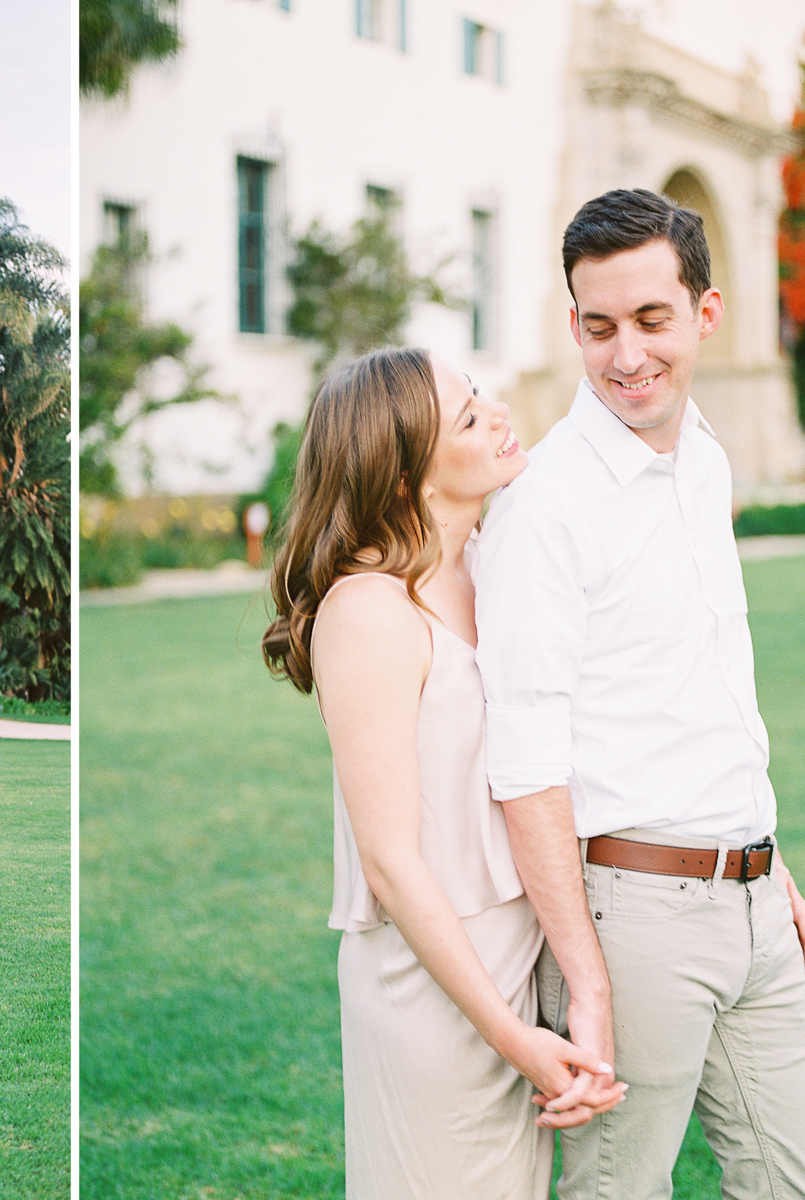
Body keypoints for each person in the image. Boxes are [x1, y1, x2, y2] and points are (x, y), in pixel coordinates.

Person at [475, 188, 805, 1199]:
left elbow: (707, 694)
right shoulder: (542, 505)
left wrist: (771, 868)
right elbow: (524, 762)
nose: (624, 355)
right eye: (598, 328)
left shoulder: (706, 459)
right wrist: (583, 978)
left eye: (649, 321)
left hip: (756, 905)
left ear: (704, 315)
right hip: (629, 918)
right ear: (573, 327)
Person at [263, 348, 624, 1199]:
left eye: (480, 397)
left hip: (515, 957)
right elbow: (392, 863)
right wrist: (512, 1037)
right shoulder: (368, 613)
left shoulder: (489, 567)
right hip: (433, 988)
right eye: (468, 417)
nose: (498, 413)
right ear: (403, 481)